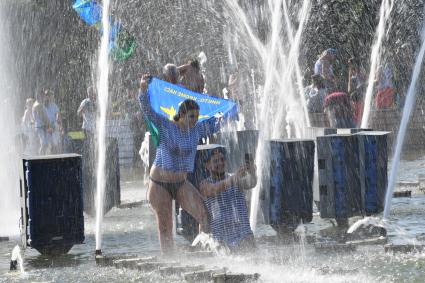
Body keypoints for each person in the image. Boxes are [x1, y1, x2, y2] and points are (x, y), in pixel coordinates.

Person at [139, 74, 222, 253]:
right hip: (160, 183)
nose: (194, 120)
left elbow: (215, 123)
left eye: (197, 117)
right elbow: (147, 110)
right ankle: (170, 263)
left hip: (181, 183)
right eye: (191, 116)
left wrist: (229, 110)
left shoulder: (196, 129)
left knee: (205, 215)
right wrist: (143, 90)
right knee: (166, 226)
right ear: (182, 114)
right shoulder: (166, 125)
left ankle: (202, 251)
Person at [199, 147, 257, 252]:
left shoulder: (235, 179)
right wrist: (233, 179)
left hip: (244, 238)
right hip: (221, 242)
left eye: (222, 159)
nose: (220, 163)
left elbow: (251, 182)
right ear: (207, 166)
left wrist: (252, 171)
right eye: (215, 161)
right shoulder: (204, 184)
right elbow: (214, 189)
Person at [32, 90, 52, 155]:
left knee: (45, 144)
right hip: (41, 127)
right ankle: (41, 158)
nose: (44, 97)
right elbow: (43, 117)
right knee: (44, 144)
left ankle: (42, 157)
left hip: (41, 126)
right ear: (39, 96)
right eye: (43, 96)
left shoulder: (38, 104)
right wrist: (49, 125)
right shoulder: (38, 105)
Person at [347, 58, 365, 127]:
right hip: (355, 95)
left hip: (359, 93)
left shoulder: (360, 71)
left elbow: (363, 79)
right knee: (355, 110)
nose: (349, 66)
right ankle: (357, 124)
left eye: (350, 64)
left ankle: (359, 124)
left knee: (359, 109)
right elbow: (349, 87)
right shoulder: (352, 72)